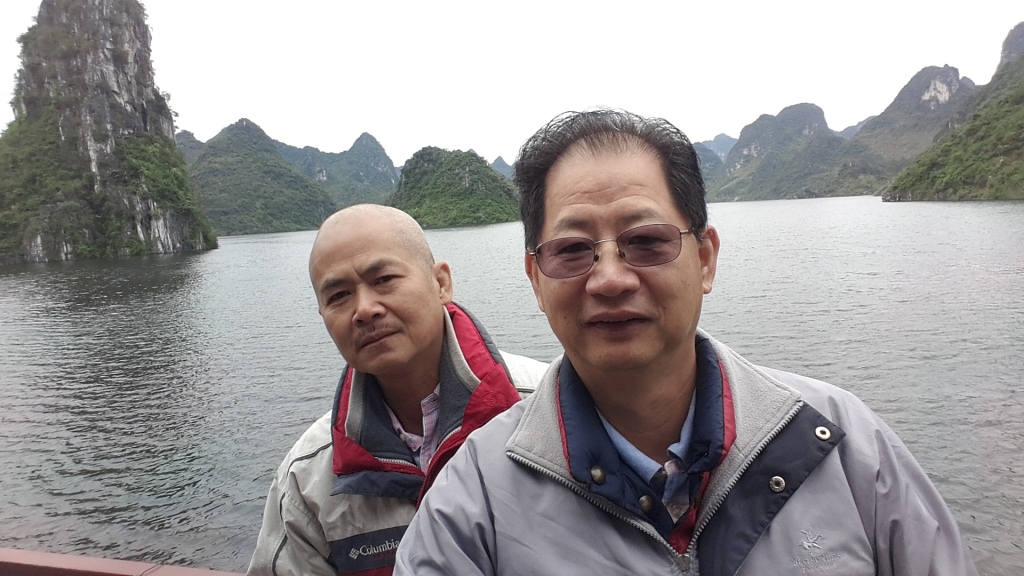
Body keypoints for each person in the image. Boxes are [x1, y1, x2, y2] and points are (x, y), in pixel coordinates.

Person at [395, 110, 978, 575]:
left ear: (705, 259)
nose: (610, 278)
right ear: (536, 281)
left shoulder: (842, 445)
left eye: (646, 241)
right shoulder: (472, 502)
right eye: (572, 250)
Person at [247, 204, 547, 576]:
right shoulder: (309, 477)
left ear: (441, 283)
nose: (364, 309)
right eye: (338, 296)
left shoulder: (545, 408)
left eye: (384, 279)